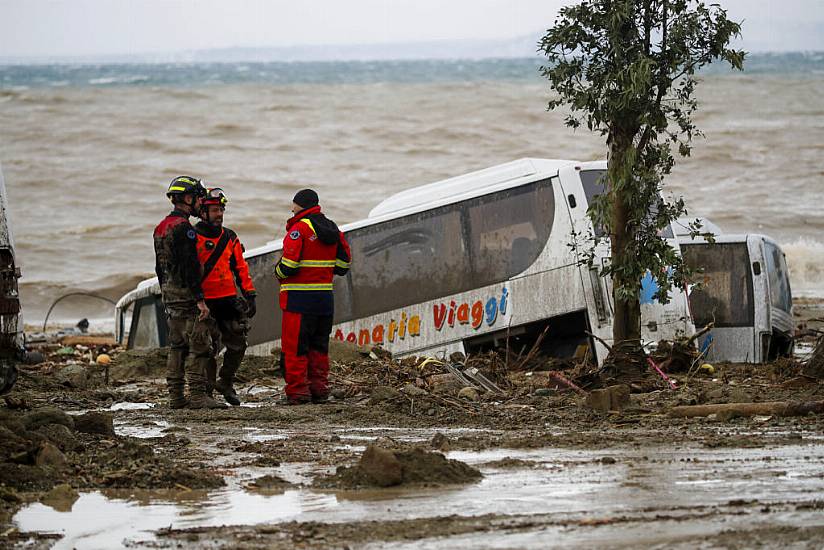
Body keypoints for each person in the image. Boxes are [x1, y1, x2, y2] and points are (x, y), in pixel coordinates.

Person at [153, 176, 226, 410]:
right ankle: (197, 396)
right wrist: (200, 300)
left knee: (176, 345)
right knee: (199, 345)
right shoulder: (185, 229)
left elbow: (159, 266)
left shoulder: (161, 227)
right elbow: (190, 267)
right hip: (187, 296)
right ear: (187, 199)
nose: (200, 204)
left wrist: (166, 289)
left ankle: (175, 396)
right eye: (198, 198)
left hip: (169, 293)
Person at [274, 189, 351, 404]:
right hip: (324, 299)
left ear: (302, 206)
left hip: (298, 300)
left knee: (296, 347)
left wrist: (277, 272)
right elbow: (345, 264)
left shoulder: (299, 229)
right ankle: (319, 389)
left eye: (294, 205)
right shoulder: (332, 228)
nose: (291, 209)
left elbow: (288, 265)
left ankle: (298, 392)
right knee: (319, 346)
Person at [194, 187, 256, 406]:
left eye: (221, 209)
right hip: (205, 303)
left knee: (239, 344)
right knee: (208, 349)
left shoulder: (230, 237)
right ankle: (207, 391)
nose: (219, 214)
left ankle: (226, 382)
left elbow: (240, 267)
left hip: (228, 300)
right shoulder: (192, 237)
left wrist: (250, 294)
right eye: (214, 210)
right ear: (203, 212)